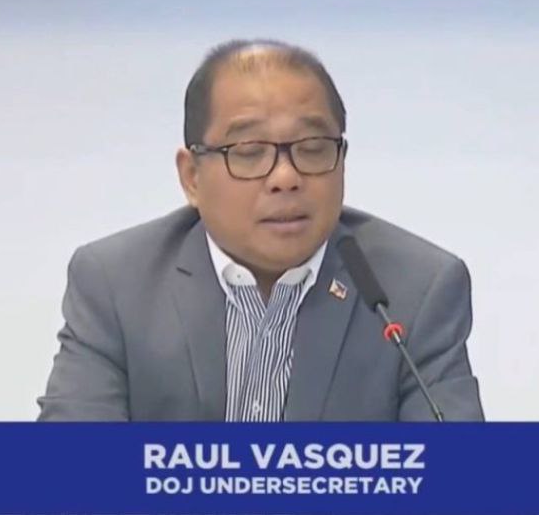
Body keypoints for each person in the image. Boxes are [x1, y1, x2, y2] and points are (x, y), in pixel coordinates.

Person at [38, 39, 483, 421]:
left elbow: (457, 474)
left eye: (312, 147)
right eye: (249, 152)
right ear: (192, 177)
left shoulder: (414, 291)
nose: (285, 177)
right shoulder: (117, 285)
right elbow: (69, 467)